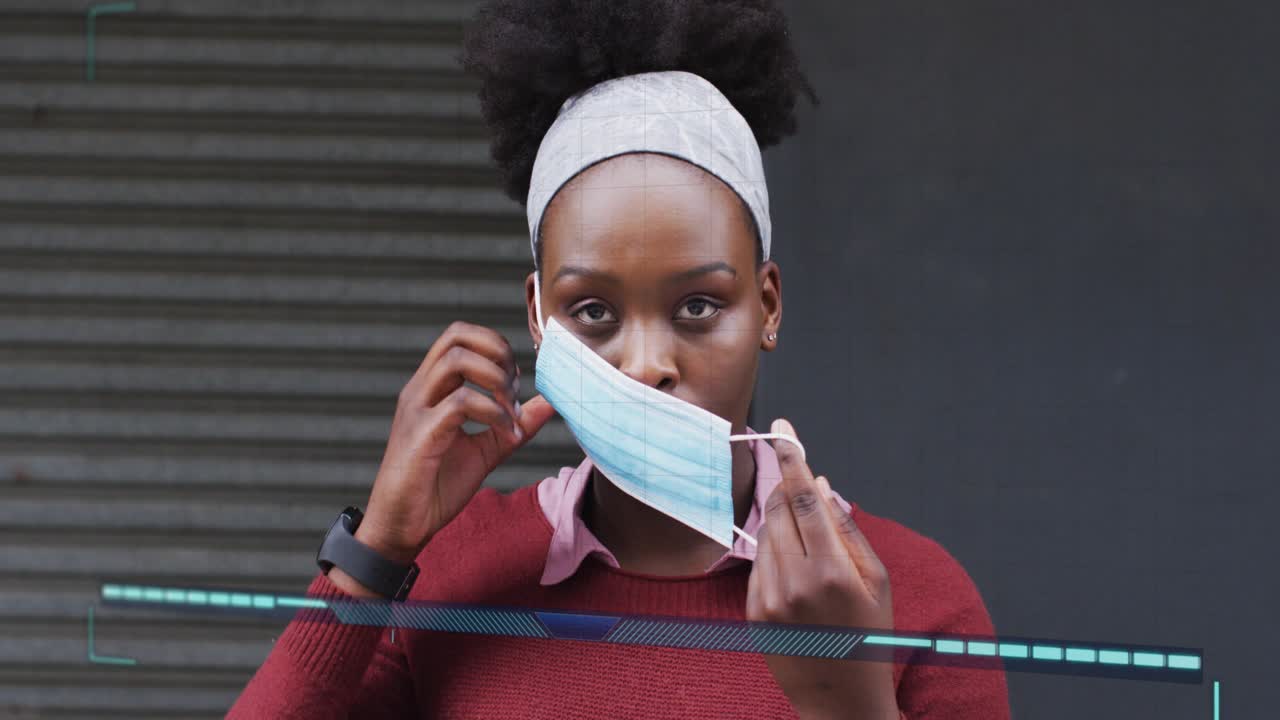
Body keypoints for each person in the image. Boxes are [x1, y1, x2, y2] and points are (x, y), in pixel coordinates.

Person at [228, 1, 1011, 718]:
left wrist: (852, 705)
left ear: (767, 306)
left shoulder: (915, 599)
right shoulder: (449, 577)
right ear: (538, 317)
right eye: (593, 311)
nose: (645, 365)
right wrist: (376, 556)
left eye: (698, 307)